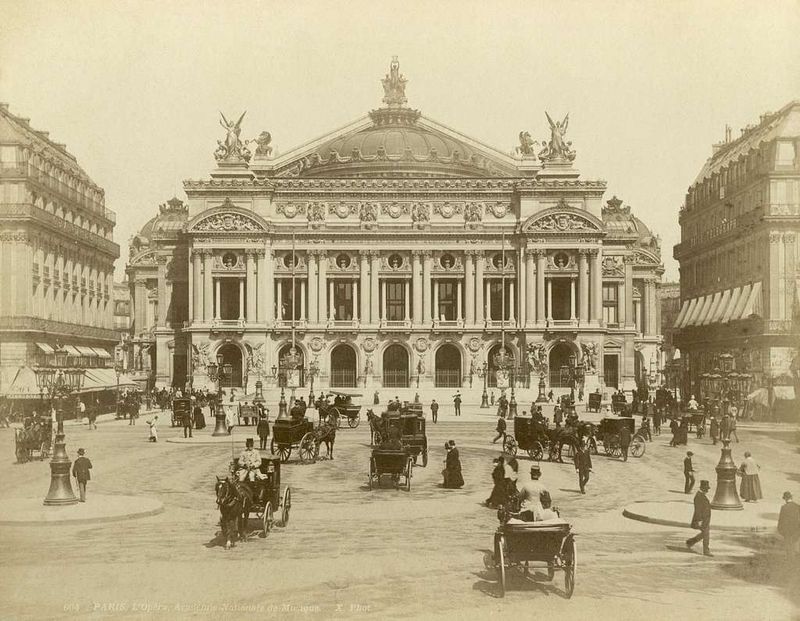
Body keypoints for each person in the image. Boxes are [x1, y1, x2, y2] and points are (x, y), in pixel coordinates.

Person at [686, 480, 713, 556]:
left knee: (704, 534)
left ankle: (691, 542)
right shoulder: (698, 497)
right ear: (703, 488)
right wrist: (699, 520)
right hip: (702, 519)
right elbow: (698, 509)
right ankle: (706, 551)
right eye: (706, 489)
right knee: (706, 534)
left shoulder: (701, 496)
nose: (707, 490)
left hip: (705, 519)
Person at [778, 491, 800, 558]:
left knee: (787, 541)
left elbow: (781, 519)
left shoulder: (784, 507)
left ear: (785, 499)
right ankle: (796, 554)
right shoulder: (797, 506)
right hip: (796, 527)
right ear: (791, 497)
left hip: (787, 528)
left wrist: (779, 528)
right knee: (795, 541)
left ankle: (789, 555)